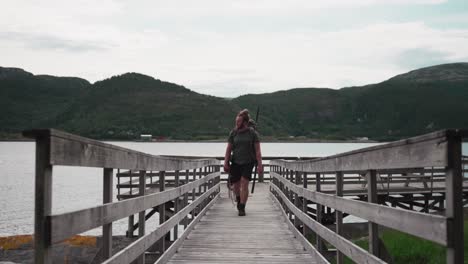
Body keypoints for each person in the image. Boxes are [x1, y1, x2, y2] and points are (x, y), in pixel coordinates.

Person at [224, 109, 263, 216]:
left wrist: (260, 165)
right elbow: (228, 149)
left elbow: (258, 151)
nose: (237, 124)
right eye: (236, 121)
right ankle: (238, 198)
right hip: (236, 162)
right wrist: (226, 162)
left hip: (248, 162)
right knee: (236, 185)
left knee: (244, 184)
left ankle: (242, 207)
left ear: (245, 122)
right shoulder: (233, 133)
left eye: (239, 122)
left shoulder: (252, 133)